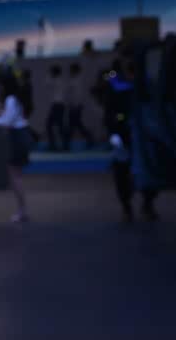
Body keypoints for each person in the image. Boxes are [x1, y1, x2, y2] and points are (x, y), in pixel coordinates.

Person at [101, 61, 159, 222]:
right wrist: (114, 132)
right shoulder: (118, 86)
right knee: (122, 171)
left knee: (147, 170)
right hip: (124, 135)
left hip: (141, 136)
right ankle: (129, 207)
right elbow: (110, 112)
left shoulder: (145, 86)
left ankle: (146, 204)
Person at [0, 76, 32, 222]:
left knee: (15, 176)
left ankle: (22, 211)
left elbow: (5, 122)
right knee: (16, 175)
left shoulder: (11, 99)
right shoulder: (16, 99)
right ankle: (22, 210)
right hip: (20, 135)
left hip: (17, 137)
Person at [64, 62, 94, 150]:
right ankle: (89, 138)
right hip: (74, 105)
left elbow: (78, 94)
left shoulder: (78, 80)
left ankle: (67, 144)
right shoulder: (74, 79)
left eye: (71, 70)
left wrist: (75, 104)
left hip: (76, 105)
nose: (70, 71)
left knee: (73, 125)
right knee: (76, 124)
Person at [45, 65, 65, 151]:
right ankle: (61, 145)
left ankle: (54, 145)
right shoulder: (60, 80)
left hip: (57, 105)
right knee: (59, 126)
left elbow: (47, 83)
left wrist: (48, 75)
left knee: (51, 125)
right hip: (58, 105)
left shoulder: (57, 80)